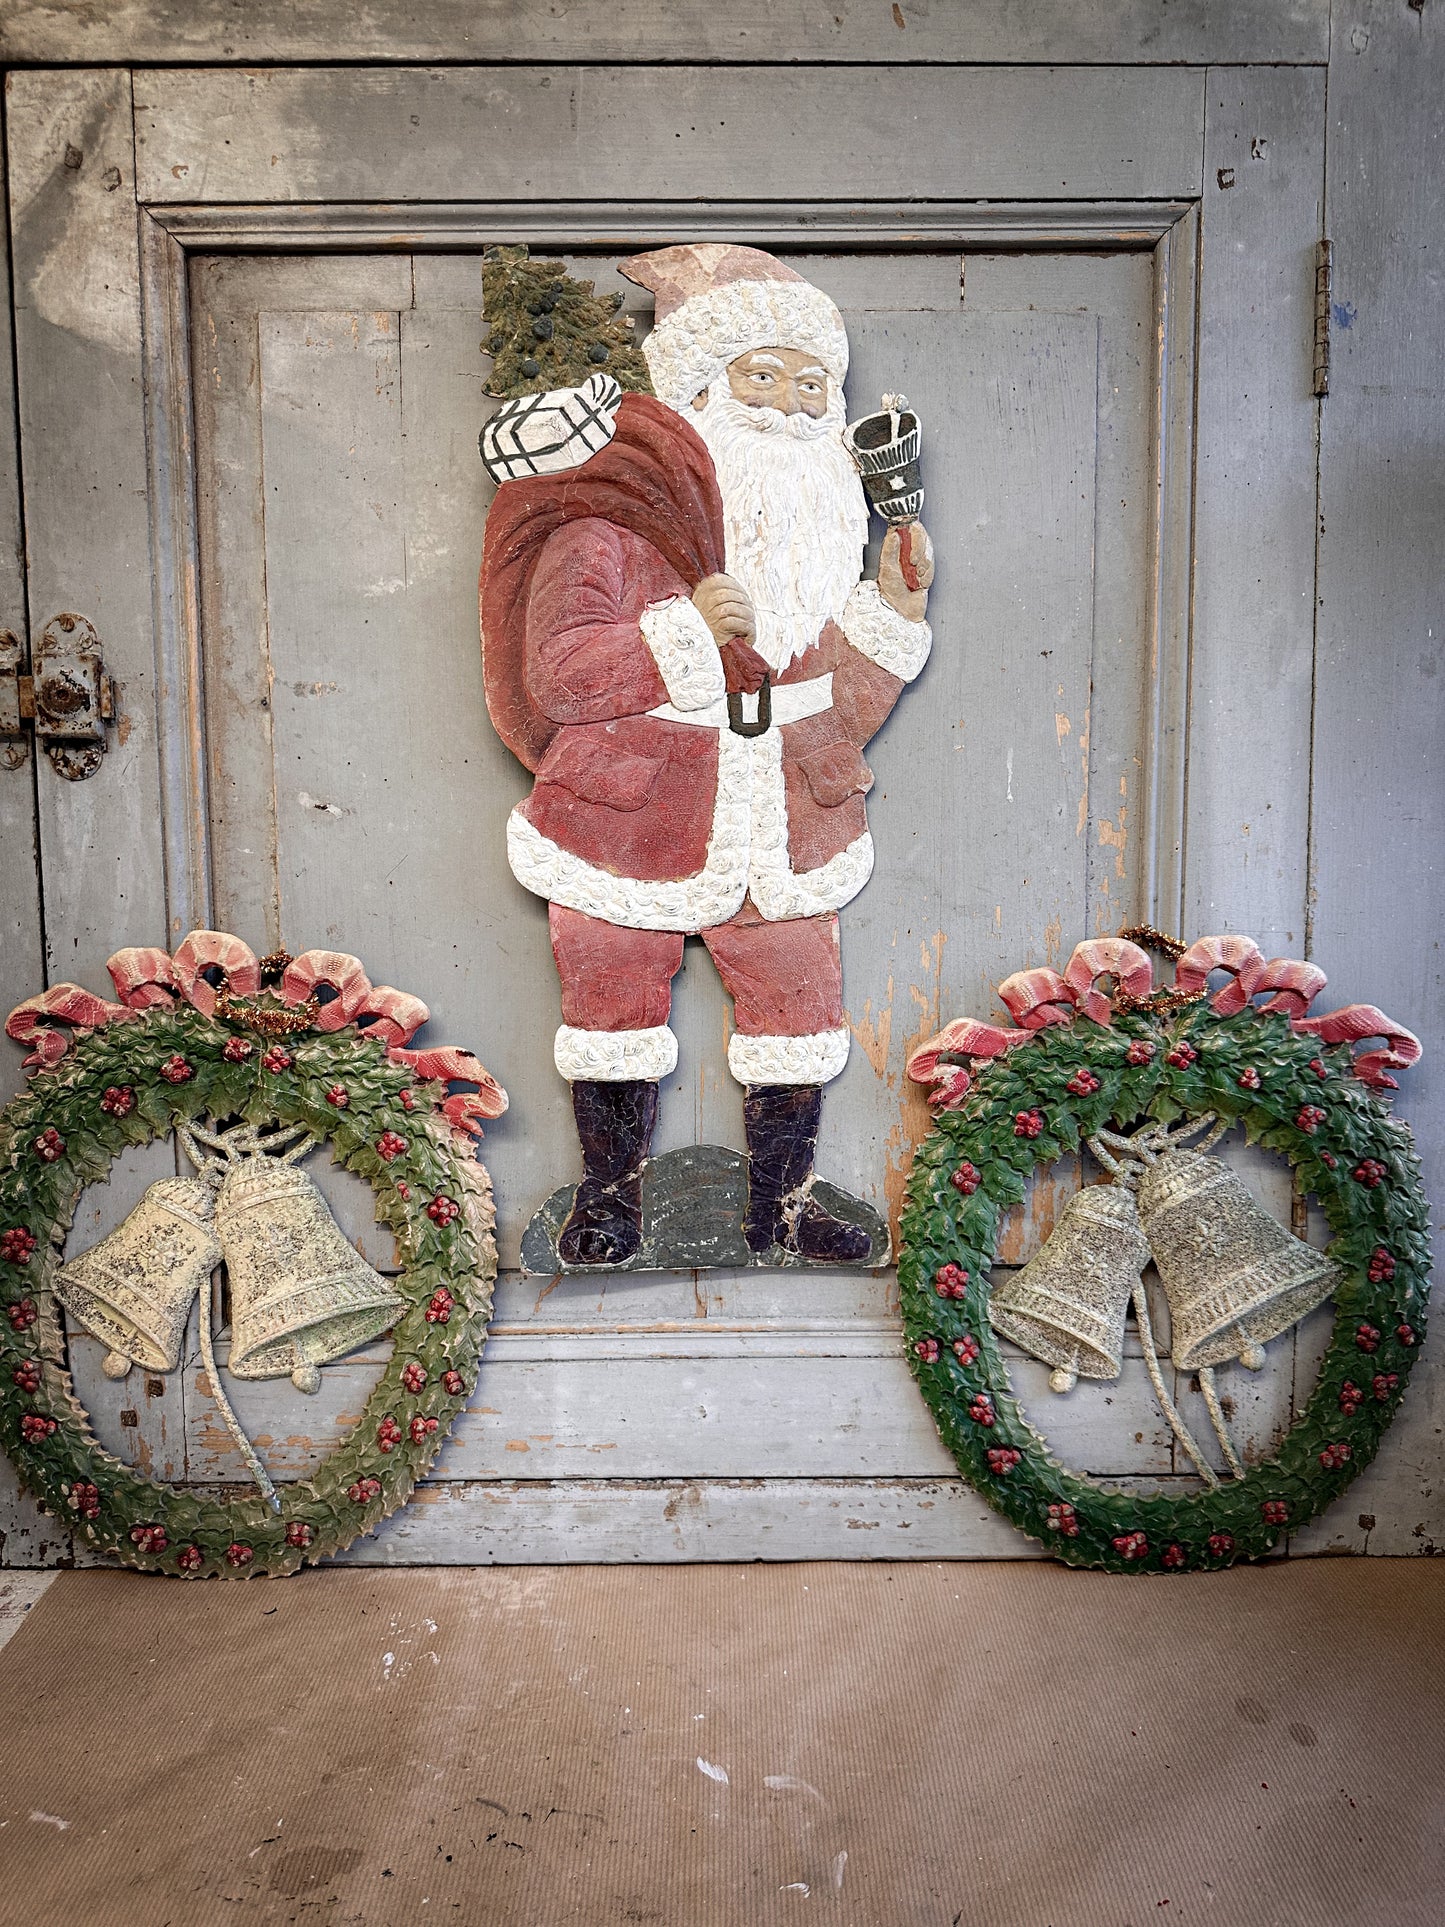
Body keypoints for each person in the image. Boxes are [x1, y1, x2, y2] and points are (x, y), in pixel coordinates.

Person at [481, 244, 934, 1266]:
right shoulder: (608, 522)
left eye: (809, 385)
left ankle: (781, 1208)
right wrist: (679, 630)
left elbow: (833, 705)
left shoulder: (814, 543)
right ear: (695, 393)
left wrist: (889, 608)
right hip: (624, 814)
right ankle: (610, 1203)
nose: (786, 408)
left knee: (796, 1010)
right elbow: (557, 669)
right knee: (610, 1003)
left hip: (780, 821)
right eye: (759, 380)